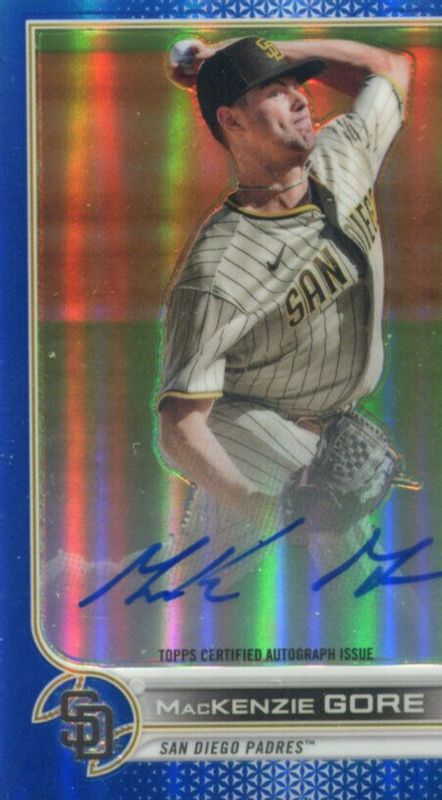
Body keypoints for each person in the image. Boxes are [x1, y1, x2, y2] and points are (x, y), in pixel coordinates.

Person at [157, 36, 413, 583]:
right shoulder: (218, 268)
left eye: (299, 85)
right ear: (232, 120)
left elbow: (390, 67)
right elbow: (178, 426)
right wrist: (266, 510)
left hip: (322, 439)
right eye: (275, 91)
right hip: (252, 439)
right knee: (371, 591)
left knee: (200, 591)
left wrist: (236, 52)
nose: (301, 99)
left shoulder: (343, 153)